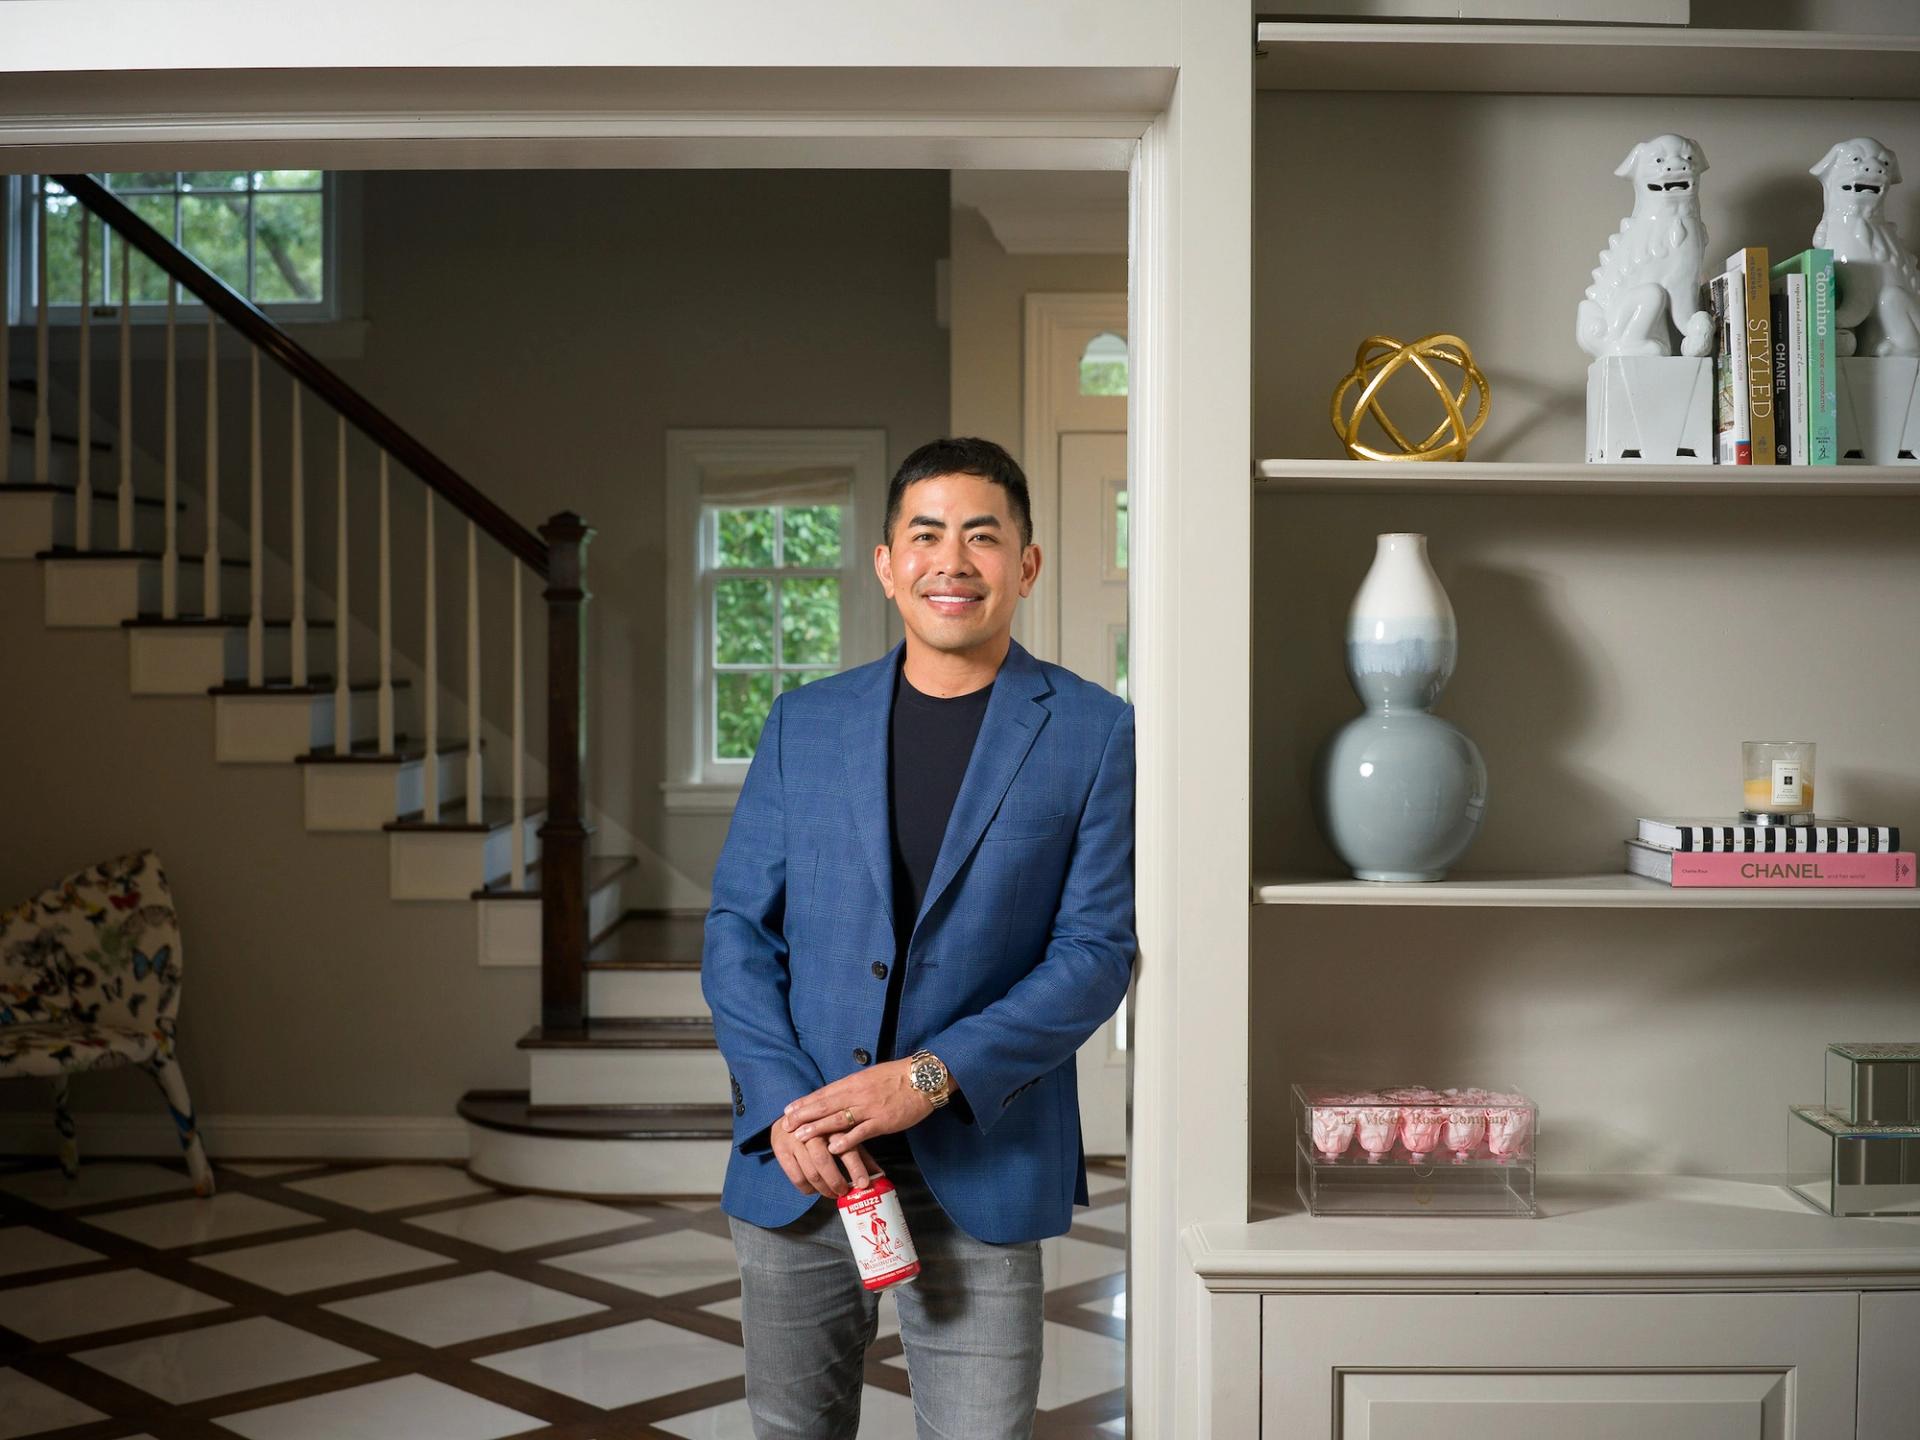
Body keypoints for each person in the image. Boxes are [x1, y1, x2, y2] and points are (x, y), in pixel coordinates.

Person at [703, 435, 1136, 1439]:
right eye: (927, 535)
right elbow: (736, 930)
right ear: (887, 564)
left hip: (981, 1157)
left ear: (1025, 565)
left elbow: (1095, 953)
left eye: (983, 537)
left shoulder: (1094, 731)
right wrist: (785, 1108)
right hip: (803, 1160)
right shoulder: (801, 724)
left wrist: (928, 1076)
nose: (954, 561)